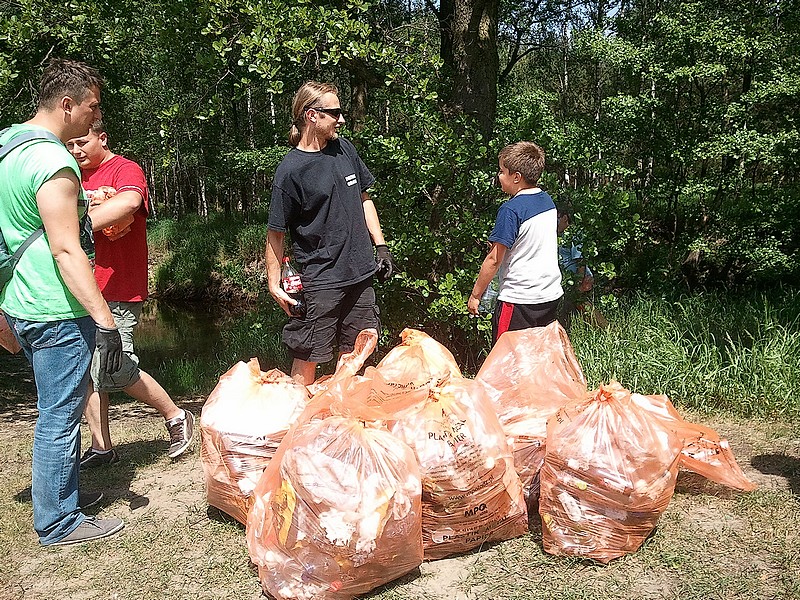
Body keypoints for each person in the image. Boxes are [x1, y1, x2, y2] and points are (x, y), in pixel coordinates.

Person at [0, 58, 124, 545]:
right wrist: (105, 319)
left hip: (20, 301)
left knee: (56, 407)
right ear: (67, 104)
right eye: (93, 106)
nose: (96, 116)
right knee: (60, 414)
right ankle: (57, 521)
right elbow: (66, 249)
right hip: (55, 308)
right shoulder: (54, 161)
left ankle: (61, 495)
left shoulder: (9, 146)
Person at [66, 120, 195, 468]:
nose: (76, 150)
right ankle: (102, 447)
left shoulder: (125, 168)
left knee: (113, 365)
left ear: (102, 137)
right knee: (86, 370)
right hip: (80, 288)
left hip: (118, 286)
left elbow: (130, 201)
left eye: (82, 142)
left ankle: (176, 415)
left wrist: (71, 222)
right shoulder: (71, 177)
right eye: (70, 145)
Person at [265, 81, 396, 385]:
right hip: (321, 280)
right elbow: (275, 233)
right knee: (307, 355)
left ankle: (342, 413)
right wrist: (273, 283)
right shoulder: (290, 170)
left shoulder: (344, 149)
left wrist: (381, 247)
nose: (342, 119)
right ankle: (298, 414)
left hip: (360, 274)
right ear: (312, 115)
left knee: (356, 355)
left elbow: (364, 199)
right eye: (335, 112)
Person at [468, 141, 563, 343]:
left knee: (506, 355)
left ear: (516, 177)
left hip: (519, 300)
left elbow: (494, 259)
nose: (499, 176)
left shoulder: (510, 210)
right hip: (549, 295)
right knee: (538, 353)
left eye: (502, 171)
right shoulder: (547, 201)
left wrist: (476, 296)